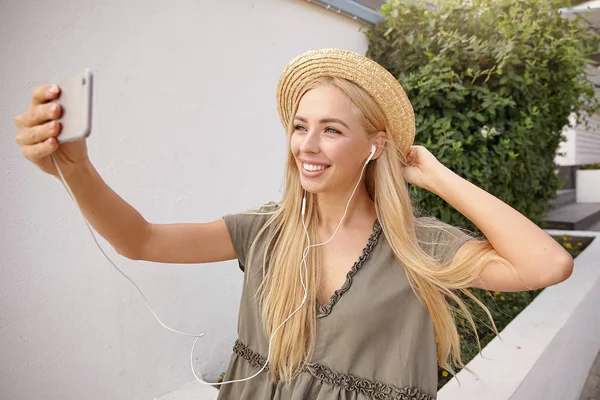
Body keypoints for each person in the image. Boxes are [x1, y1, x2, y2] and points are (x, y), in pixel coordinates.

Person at [14, 49, 574, 400]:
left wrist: (434, 174)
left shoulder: (418, 247)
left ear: (375, 145)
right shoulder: (264, 231)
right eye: (300, 126)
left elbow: (548, 264)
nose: (307, 145)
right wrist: (76, 167)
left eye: (331, 129)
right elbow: (139, 240)